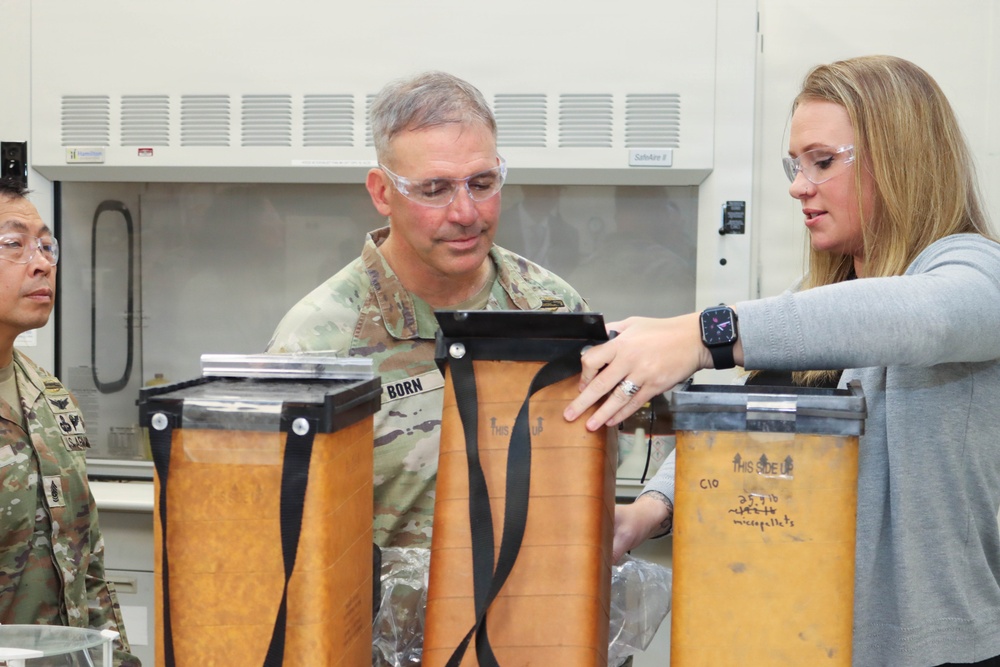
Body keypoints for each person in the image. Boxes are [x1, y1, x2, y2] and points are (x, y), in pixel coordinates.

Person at [564, 55, 1000, 667]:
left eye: (822, 162)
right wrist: (648, 512)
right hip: (803, 637)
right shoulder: (818, 300)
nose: (799, 186)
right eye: (795, 165)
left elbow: (927, 319)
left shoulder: (977, 273)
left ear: (901, 160)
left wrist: (704, 335)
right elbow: (746, 421)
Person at [267, 71, 588, 549]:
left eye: (482, 183)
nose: (465, 213)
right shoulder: (320, 340)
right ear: (382, 192)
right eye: (434, 189)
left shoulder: (551, 307)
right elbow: (279, 535)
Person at [0, 178, 139, 665]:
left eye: (46, 245)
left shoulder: (48, 394)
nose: (41, 262)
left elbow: (85, 559)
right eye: (14, 244)